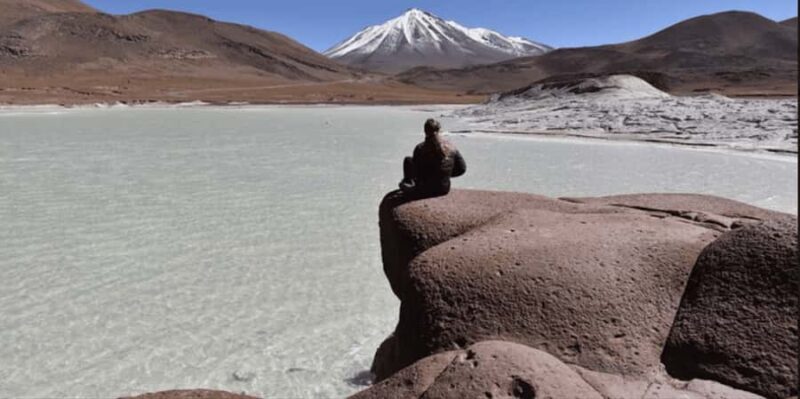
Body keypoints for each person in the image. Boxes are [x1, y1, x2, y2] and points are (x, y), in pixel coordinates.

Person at [399, 118, 466, 198]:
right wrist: (445, 175)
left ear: (425, 131)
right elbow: (462, 169)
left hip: (424, 190)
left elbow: (417, 172)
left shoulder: (420, 148)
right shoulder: (450, 146)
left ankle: (408, 184)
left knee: (407, 162)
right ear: (439, 130)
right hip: (444, 189)